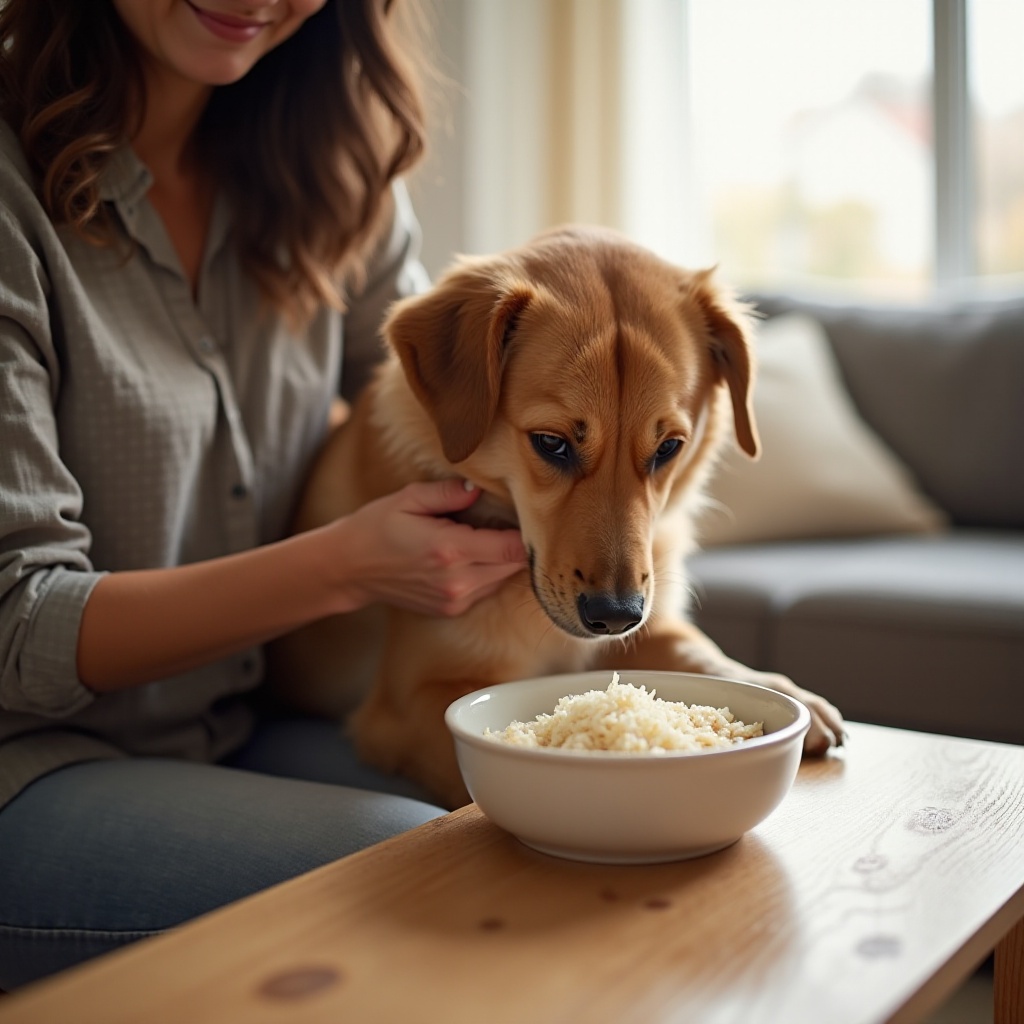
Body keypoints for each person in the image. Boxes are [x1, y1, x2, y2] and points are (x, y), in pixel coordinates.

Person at [0, 0, 526, 990]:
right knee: (435, 880)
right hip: (27, 770)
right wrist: (342, 563)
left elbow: (425, 413)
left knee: (541, 817)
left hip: (231, 727)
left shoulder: (332, 162)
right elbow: (16, 624)